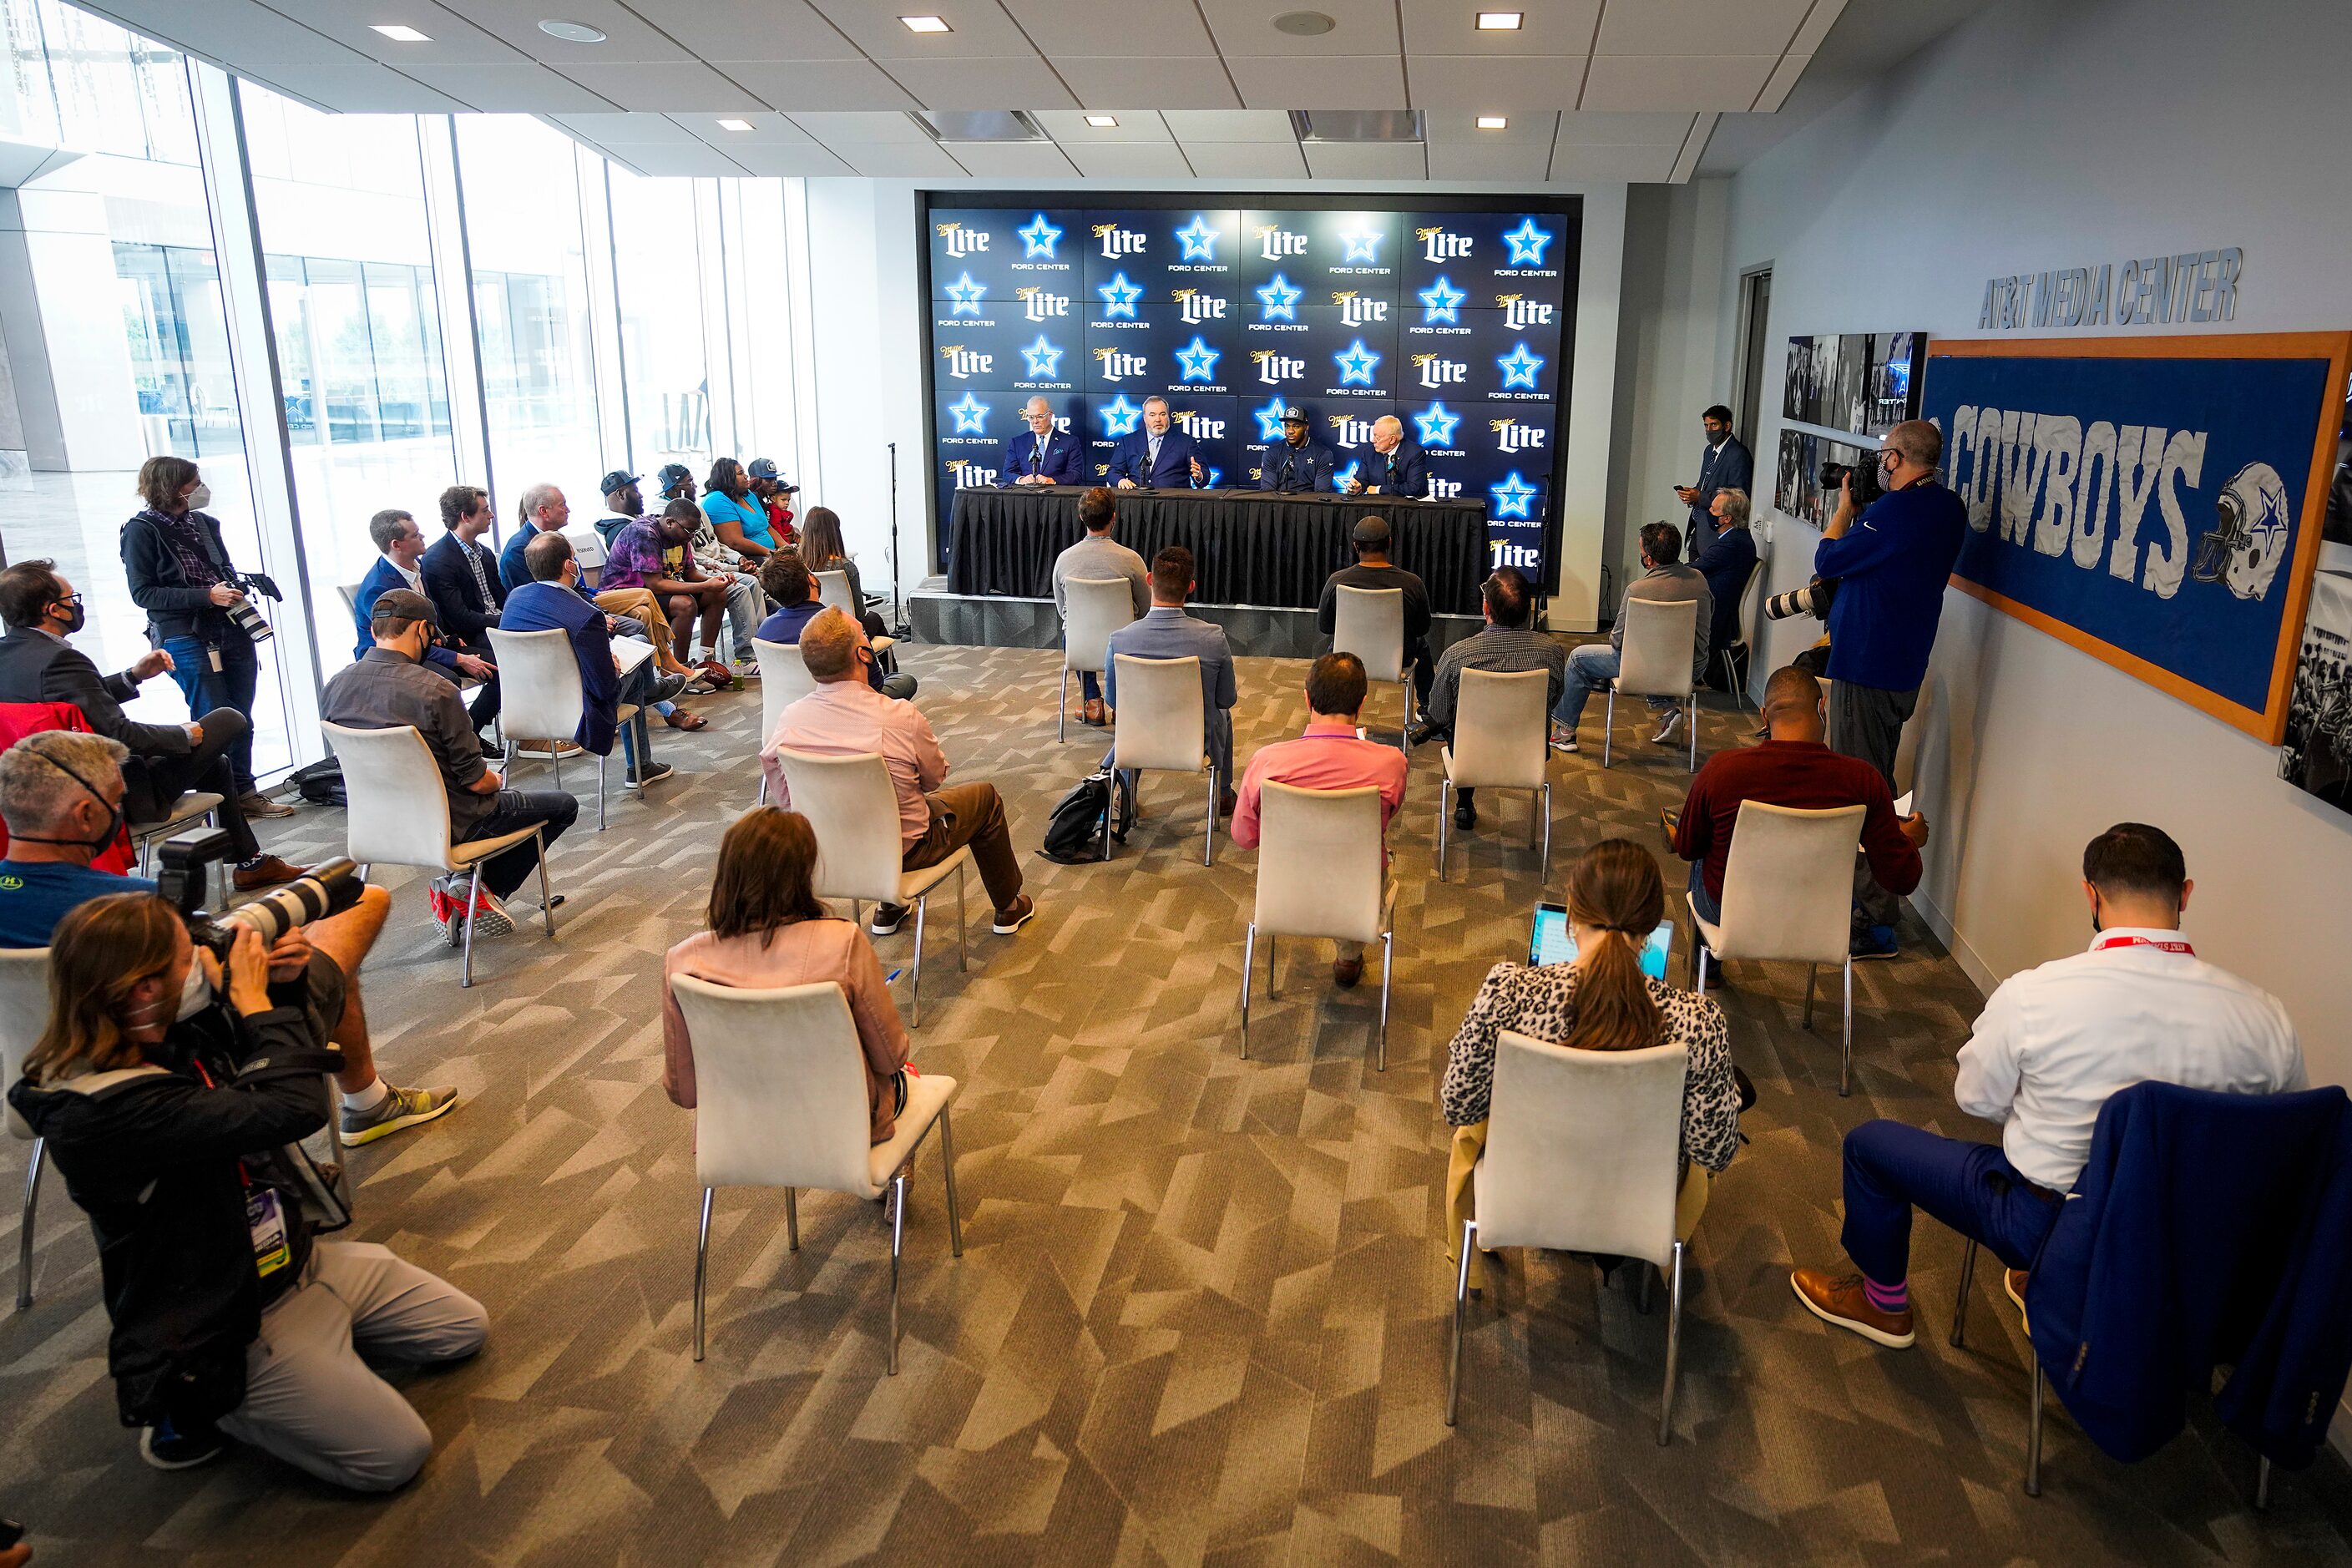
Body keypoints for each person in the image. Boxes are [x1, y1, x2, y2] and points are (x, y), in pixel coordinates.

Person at [7, 892, 486, 1489]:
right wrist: (259, 1005)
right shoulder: (100, 1112)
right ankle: (208, 1405)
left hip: (291, 1261)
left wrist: (282, 986)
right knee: (394, 1456)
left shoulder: (172, 1033)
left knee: (461, 1331)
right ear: (145, 990)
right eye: (190, 958)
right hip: (223, 1319)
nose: (210, 963)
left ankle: (320, 1350)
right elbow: (292, 1108)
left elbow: (281, 1059)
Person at [1791, 824, 2305, 1349]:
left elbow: (1975, 1098)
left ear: (2091, 894)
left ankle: (1884, 1305)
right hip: (2195, 1246)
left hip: (2049, 1227)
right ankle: (2056, 1287)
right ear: (2186, 894)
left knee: (1869, 1145)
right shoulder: (2267, 1019)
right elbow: (2281, 1141)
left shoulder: (2035, 995)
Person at [0, 730, 451, 1146]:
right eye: (117, 803)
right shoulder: (139, 907)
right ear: (84, 816)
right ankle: (369, 1104)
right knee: (360, 907)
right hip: (182, 1055)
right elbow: (212, 974)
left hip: (40, 1080)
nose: (121, 814)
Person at [1439, 838, 1740, 1291]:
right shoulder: (1697, 1023)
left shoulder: (1507, 993)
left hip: (1522, 1193)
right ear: (1651, 928)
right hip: (1639, 1206)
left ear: (1570, 920)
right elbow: (1715, 1151)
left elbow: (1458, 1107)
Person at [0, 560, 301, 890]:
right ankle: (248, 864)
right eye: (72, 598)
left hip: (46, 791)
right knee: (227, 718)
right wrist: (182, 735)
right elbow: (118, 735)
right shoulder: (62, 660)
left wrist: (132, 677)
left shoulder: (12, 656)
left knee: (217, 765)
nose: (77, 605)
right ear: (52, 609)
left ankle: (252, 864)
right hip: (118, 793)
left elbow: (69, 706)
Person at [321, 589, 578, 942]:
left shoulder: (334, 686)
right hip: (455, 823)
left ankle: (461, 884)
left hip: (378, 824)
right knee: (563, 805)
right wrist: (494, 780)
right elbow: (475, 782)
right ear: (423, 630)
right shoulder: (435, 690)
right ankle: (478, 892)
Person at [762, 608, 1034, 937]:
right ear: (864, 654)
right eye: (864, 634)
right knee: (985, 797)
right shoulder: (899, 717)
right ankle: (1008, 908)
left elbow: (784, 799)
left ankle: (890, 907)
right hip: (907, 853)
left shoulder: (790, 720)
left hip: (825, 851)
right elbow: (934, 780)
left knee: (891, 806)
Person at [661, 807, 912, 1141]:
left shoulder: (682, 963)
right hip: (843, 1125)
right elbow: (891, 1056)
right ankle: (890, 1176)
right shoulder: (842, 943)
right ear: (803, 875)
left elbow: (685, 1093)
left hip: (741, 1133)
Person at [1816, 418, 1970, 959]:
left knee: (1861, 789)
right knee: (1871, 778)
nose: (1877, 464)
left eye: (1883, 456)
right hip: (1901, 663)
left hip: (1867, 666)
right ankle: (1864, 903)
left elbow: (1828, 560)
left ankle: (1872, 920)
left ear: (1894, 460)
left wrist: (1842, 513)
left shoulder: (1895, 512)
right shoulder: (1948, 509)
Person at [1671, 667, 1929, 974]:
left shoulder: (1723, 771)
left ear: (1765, 717)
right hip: (1820, 919)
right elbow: (1902, 879)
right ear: (1822, 708)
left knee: (1702, 846)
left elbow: (1687, 848)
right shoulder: (1863, 781)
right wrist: (1908, 841)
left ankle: (1707, 971)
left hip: (1732, 915)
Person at [119, 456, 290, 822]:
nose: (201, 488)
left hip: (228, 627)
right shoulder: (140, 531)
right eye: (194, 482)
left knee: (240, 716)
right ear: (173, 487)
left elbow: (218, 570)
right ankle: (222, 805)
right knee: (212, 721)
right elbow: (144, 593)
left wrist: (230, 589)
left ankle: (244, 792)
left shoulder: (205, 524)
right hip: (184, 634)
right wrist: (205, 597)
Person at [1229, 653, 1408, 987]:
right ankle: (1348, 955)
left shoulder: (1266, 763)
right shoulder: (1392, 763)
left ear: (1307, 698)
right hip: (1358, 894)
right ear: (1363, 703)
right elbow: (1388, 816)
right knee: (1370, 858)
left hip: (1285, 891)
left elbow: (1244, 838)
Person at [500, 532, 684, 787]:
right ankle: (640, 762)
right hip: (578, 711)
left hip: (525, 705)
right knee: (637, 667)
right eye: (575, 558)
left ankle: (651, 699)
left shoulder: (515, 600)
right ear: (568, 565)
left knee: (639, 645)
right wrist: (611, 667)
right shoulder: (586, 616)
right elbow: (605, 689)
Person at [1409, 566, 1564, 830]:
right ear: (1528, 609)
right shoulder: (1552, 653)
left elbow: (1439, 712)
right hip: (1531, 753)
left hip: (1469, 753)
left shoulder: (1457, 655)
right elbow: (1554, 699)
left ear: (1486, 608)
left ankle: (1464, 804)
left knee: (1452, 720)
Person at [1550, 522, 1711, 754]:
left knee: (1577, 658)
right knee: (1657, 651)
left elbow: (1617, 641)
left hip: (1643, 668)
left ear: (1649, 559)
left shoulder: (1638, 590)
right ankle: (1668, 711)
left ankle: (1564, 732)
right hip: (1690, 667)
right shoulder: (1699, 580)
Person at [1103, 546, 1237, 812]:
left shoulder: (1120, 639)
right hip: (1196, 742)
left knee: (1134, 714)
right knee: (1225, 715)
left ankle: (1126, 795)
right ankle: (1222, 793)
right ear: (1191, 587)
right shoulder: (1214, 638)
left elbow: (1113, 700)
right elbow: (1226, 698)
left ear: (1150, 579)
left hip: (1138, 739)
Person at [352, 509, 497, 689]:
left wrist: (442, 637)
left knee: (501, 666)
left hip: (427, 644)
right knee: (447, 682)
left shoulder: (417, 565)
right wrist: (458, 659)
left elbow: (430, 609)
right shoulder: (378, 589)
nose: (422, 536)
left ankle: (476, 718)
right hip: (394, 658)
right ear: (396, 545)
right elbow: (399, 643)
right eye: (415, 535)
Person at [602, 501, 734, 689]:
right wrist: (706, 585)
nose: (691, 538)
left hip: (657, 590)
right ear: (671, 522)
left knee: (717, 595)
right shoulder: (644, 533)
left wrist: (716, 581)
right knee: (685, 604)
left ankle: (705, 660)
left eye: (694, 532)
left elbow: (690, 573)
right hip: (629, 593)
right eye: (689, 531)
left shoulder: (682, 535)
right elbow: (655, 585)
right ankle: (679, 671)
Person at [1050, 487, 1150, 727]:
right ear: (1114, 517)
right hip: (1125, 647)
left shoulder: (1064, 560)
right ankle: (1122, 706)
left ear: (1082, 517)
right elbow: (1146, 610)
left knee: (1070, 633)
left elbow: (1063, 610)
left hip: (1079, 647)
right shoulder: (1132, 560)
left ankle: (1092, 702)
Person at [756, 551, 916, 701]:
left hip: (791, 704)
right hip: (847, 705)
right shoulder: (845, 623)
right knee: (906, 681)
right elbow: (875, 683)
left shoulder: (764, 630)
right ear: (811, 579)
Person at [418, 484, 508, 736]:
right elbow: (458, 616)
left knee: (541, 645)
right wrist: (502, 623)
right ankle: (472, 730)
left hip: (494, 625)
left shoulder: (485, 553)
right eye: (485, 511)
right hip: (468, 634)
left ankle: (535, 727)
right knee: (517, 661)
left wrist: (513, 617)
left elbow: (502, 597)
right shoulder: (439, 559)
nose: (491, 516)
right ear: (465, 517)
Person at [1316, 514, 1434, 708]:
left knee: (1332, 648)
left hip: (1347, 657)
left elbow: (1326, 626)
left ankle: (1328, 707)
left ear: (1355, 546)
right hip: (1398, 659)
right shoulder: (1412, 583)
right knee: (1421, 645)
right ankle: (1428, 708)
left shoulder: (1336, 580)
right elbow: (1422, 628)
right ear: (1389, 543)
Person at [1693, 488, 1759, 680]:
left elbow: (1695, 569)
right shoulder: (1739, 538)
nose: (1708, 512)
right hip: (1717, 609)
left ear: (1727, 519)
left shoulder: (1731, 545)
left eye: (1713, 510)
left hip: (1717, 617)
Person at [1675, 403, 1753, 559]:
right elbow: (1704, 483)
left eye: (1714, 425)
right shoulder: (1709, 451)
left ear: (1727, 426)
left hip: (1717, 529)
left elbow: (1738, 497)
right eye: (1706, 425)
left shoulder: (1738, 454)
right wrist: (1691, 494)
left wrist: (1700, 497)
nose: (1709, 430)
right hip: (1699, 525)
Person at [1106, 396, 1203, 489]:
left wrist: (1199, 476)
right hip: (1138, 501)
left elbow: (1204, 475)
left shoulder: (1186, 442)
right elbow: (1113, 472)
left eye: (1162, 414)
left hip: (1173, 502)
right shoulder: (1128, 441)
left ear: (1168, 416)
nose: (1158, 419)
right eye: (1152, 415)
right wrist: (1120, 481)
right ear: (1145, 418)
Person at [699, 457, 778, 565]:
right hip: (745, 559)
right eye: (741, 473)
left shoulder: (748, 494)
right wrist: (773, 554)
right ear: (728, 478)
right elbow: (735, 542)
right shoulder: (716, 500)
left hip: (770, 553)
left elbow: (767, 527)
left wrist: (786, 548)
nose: (746, 476)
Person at [1000, 397, 1085, 487]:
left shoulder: (1070, 442)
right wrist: (1022, 479)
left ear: (1050, 415)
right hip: (1026, 497)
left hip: (1056, 497)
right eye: (1031, 417)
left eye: (1040, 416)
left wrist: (1052, 480)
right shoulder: (1017, 443)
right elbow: (1007, 474)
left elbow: (1075, 475)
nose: (1035, 421)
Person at [1345, 415, 1429, 498]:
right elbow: (1361, 480)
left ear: (1392, 439)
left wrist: (1379, 489)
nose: (1372, 440)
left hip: (1409, 508)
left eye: (1377, 437)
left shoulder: (1415, 453)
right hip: (1377, 508)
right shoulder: (1369, 453)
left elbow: (1414, 488)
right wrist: (1357, 488)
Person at [1258, 405, 1334, 493]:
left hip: (1310, 504)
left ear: (1306, 427)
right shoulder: (1271, 453)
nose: (1290, 431)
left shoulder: (1323, 454)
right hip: (1279, 503)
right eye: (1287, 426)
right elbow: (1268, 492)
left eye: (1296, 426)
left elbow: (1321, 494)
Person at [746, 458, 801, 548]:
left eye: (775, 479)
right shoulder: (750, 499)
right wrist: (787, 546)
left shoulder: (765, 501)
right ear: (756, 480)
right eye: (768, 480)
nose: (774, 483)